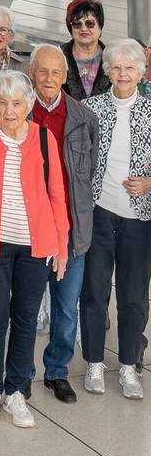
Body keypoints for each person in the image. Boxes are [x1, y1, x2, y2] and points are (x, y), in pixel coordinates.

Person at [0, 71, 69, 428]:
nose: (10, 110)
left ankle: (15, 392)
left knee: (24, 320)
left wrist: (61, 245)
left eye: (17, 103)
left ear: (29, 104)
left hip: (35, 246)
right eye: (3, 102)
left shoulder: (43, 138)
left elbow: (56, 194)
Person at [80, 39, 151, 400]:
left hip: (139, 220)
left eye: (130, 68)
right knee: (93, 292)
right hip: (99, 214)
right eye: (116, 67)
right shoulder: (89, 109)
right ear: (107, 71)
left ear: (141, 71)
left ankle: (127, 365)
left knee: (134, 297)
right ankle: (93, 361)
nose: (123, 74)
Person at [28, 44, 99, 404]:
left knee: (66, 306)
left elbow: (90, 177)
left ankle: (56, 371)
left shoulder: (85, 119)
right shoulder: (18, 113)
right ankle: (22, 372)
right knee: (23, 306)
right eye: (44, 71)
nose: (50, 79)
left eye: (57, 72)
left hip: (69, 228)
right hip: (26, 226)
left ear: (65, 76)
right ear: (32, 73)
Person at [62, 0, 109, 100]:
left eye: (90, 23)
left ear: (100, 27)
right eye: (77, 24)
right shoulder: (58, 56)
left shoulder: (111, 57)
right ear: (71, 28)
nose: (84, 28)